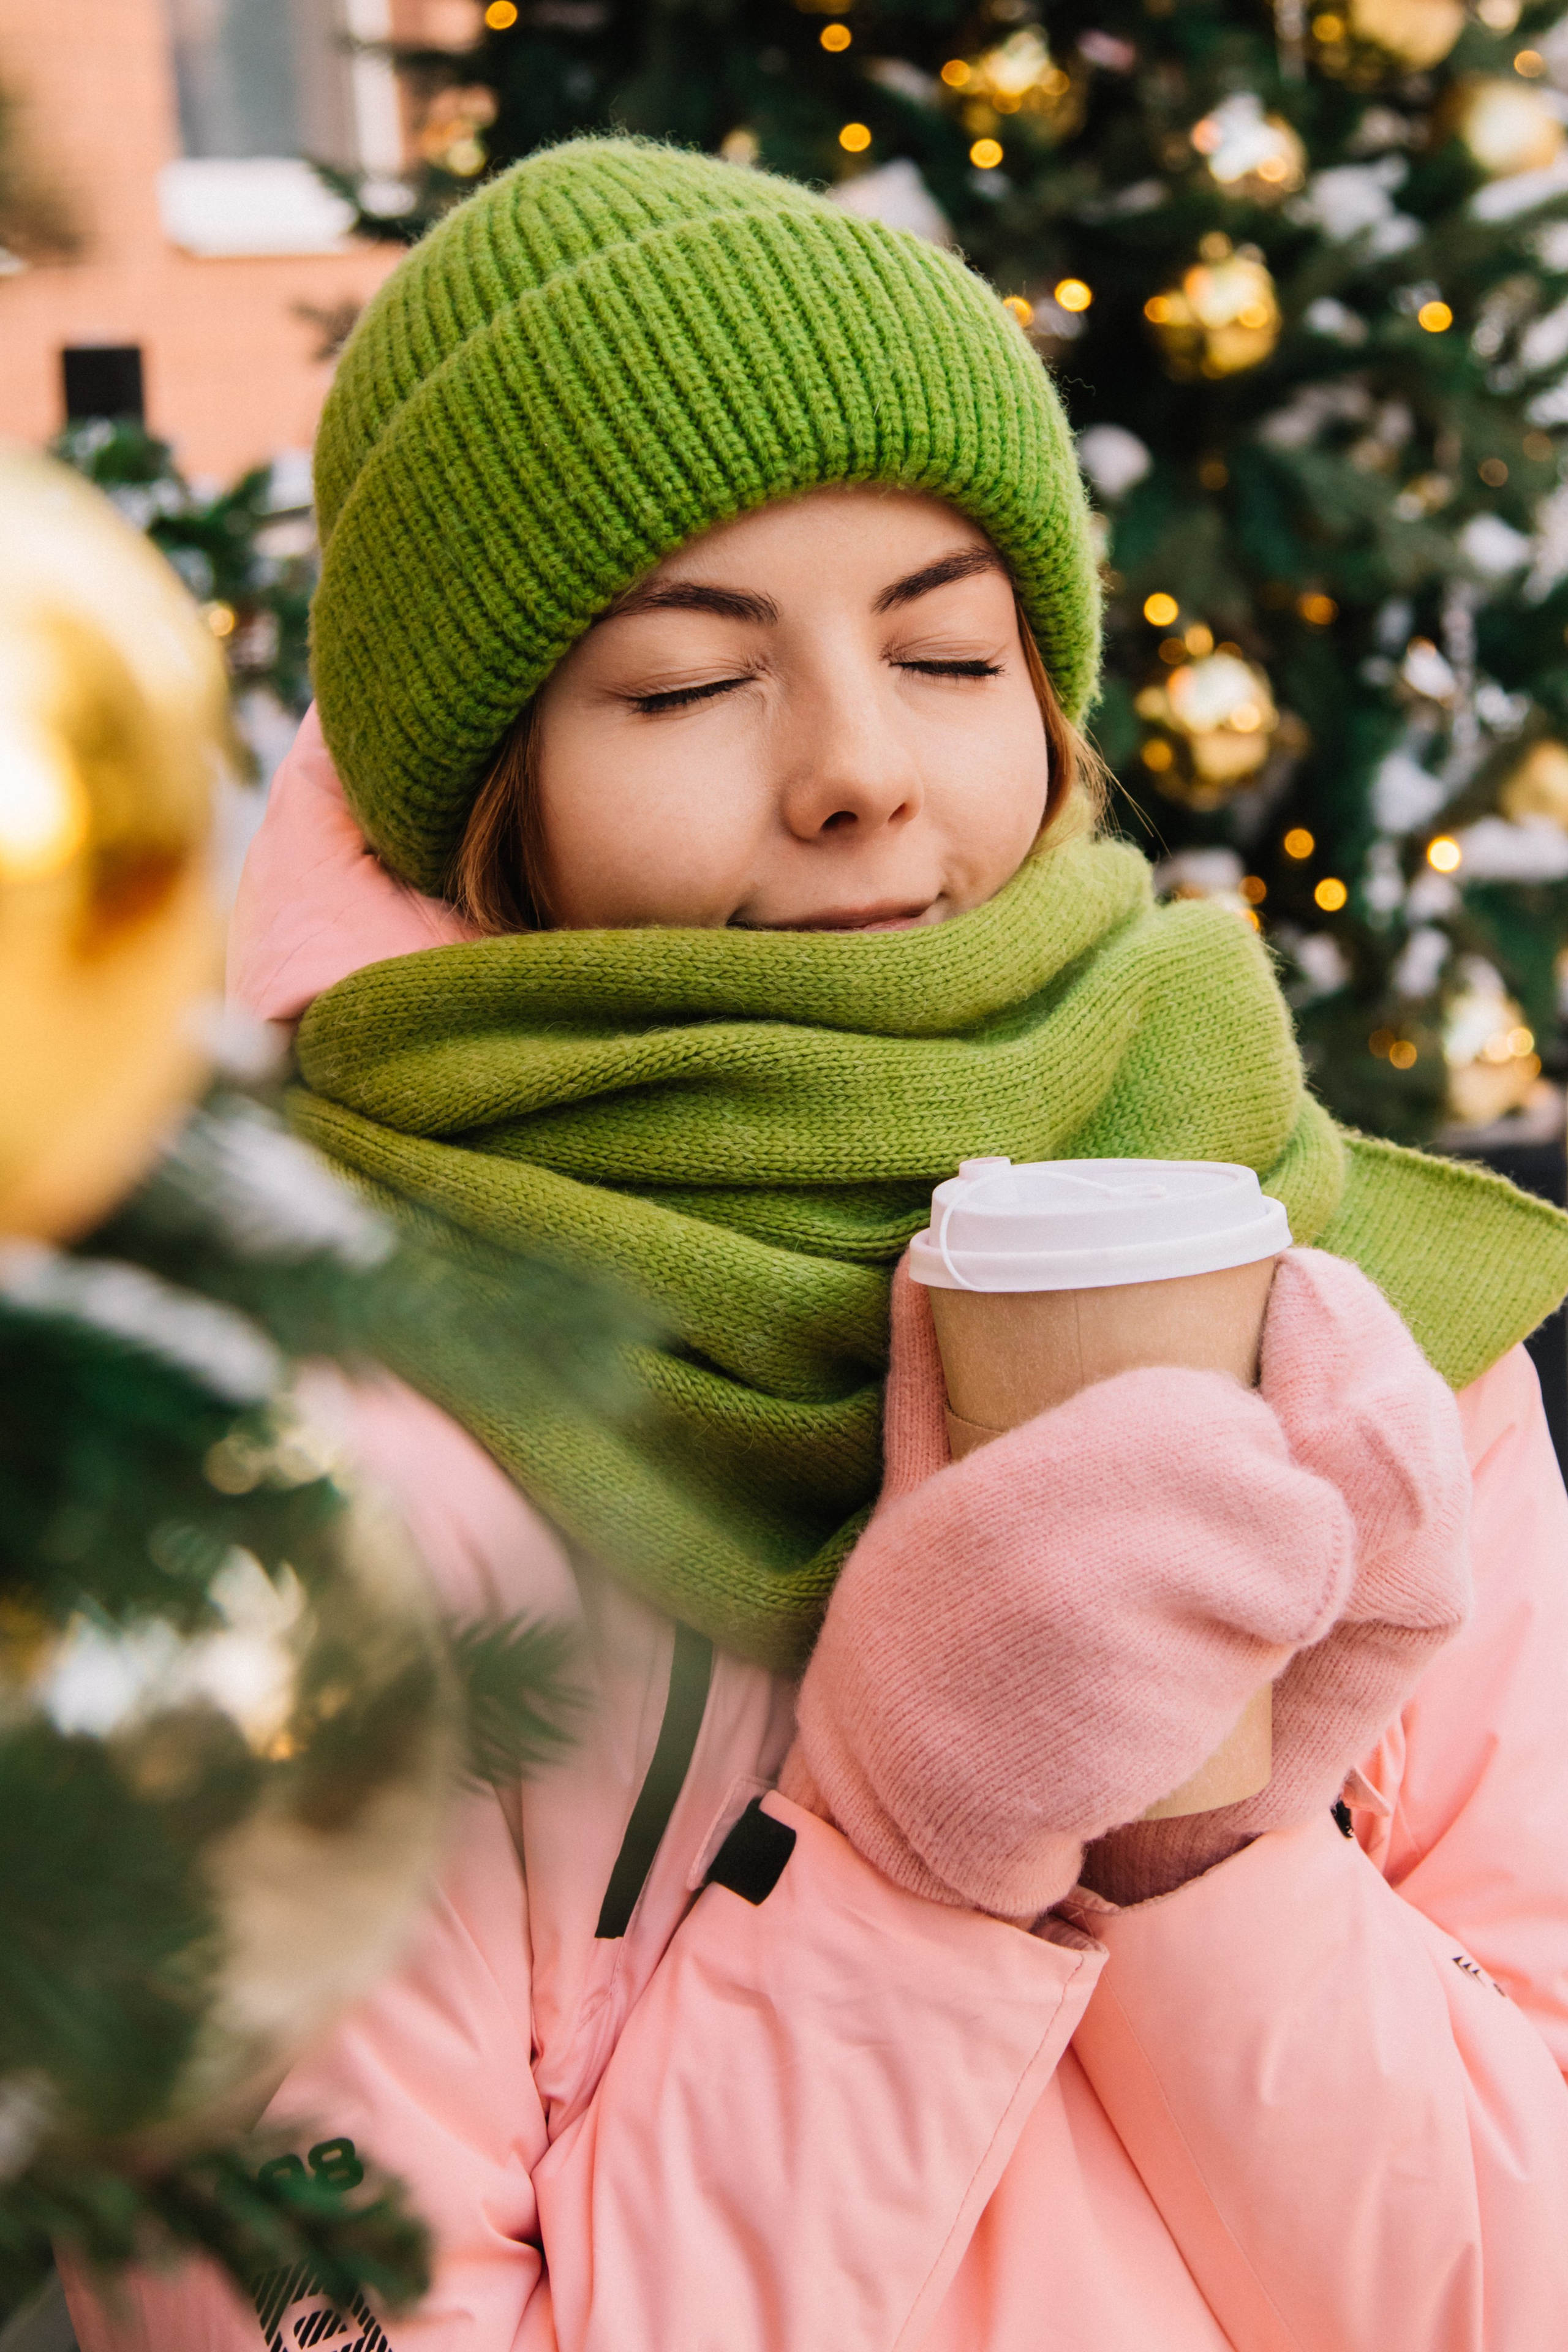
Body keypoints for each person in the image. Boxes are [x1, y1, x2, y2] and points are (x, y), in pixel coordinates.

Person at [67, 138, 1568, 2351]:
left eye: (951, 650)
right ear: (495, 799)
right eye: (686, 686)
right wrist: (906, 1848)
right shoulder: (295, 1486)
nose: (862, 769)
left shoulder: (1359, 1333)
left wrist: (1200, 1845)